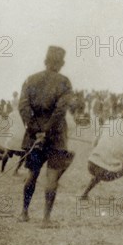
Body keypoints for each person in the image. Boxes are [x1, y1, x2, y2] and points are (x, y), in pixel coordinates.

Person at [18, 46, 77, 227]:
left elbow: (23, 107)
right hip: (56, 136)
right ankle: (46, 219)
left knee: (32, 174)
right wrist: (47, 131)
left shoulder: (30, 79)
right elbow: (60, 111)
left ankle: (24, 213)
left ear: (45, 61)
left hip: (34, 135)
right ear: (62, 63)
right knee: (52, 177)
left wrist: (37, 131)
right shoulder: (64, 82)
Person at [80, 107, 123, 208]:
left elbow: (94, 144)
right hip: (108, 172)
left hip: (91, 165)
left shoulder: (108, 123)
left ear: (121, 116)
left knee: (103, 160)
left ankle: (84, 194)